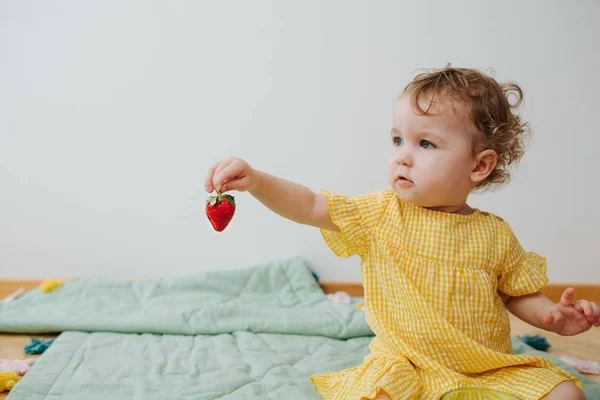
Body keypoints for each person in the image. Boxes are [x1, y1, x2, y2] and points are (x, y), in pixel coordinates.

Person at [204, 66, 599, 400]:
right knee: (379, 392)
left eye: (425, 143)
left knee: (567, 392)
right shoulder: (380, 213)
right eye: (397, 139)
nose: (402, 155)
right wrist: (256, 181)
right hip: (405, 363)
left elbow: (517, 292)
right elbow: (309, 205)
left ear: (480, 166)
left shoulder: (494, 234)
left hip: (486, 366)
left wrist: (550, 316)